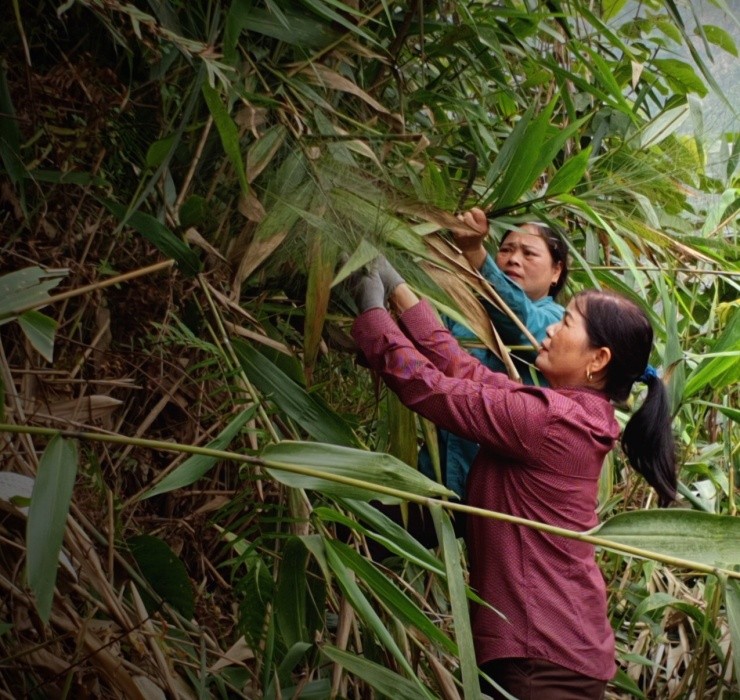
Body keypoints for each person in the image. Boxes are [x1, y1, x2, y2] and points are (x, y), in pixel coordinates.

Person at [345, 258, 677, 699]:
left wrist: (371, 313)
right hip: (550, 653)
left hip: (541, 661)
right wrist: (397, 287)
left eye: (568, 323)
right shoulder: (566, 414)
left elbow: (432, 390)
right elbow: (467, 373)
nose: (553, 329)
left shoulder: (555, 423)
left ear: (598, 359)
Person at [424, 207, 569, 500]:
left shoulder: (558, 324)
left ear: (556, 271)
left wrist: (475, 252)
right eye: (505, 250)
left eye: (529, 253)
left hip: (502, 492)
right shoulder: (463, 309)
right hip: (434, 474)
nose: (513, 259)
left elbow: (519, 323)